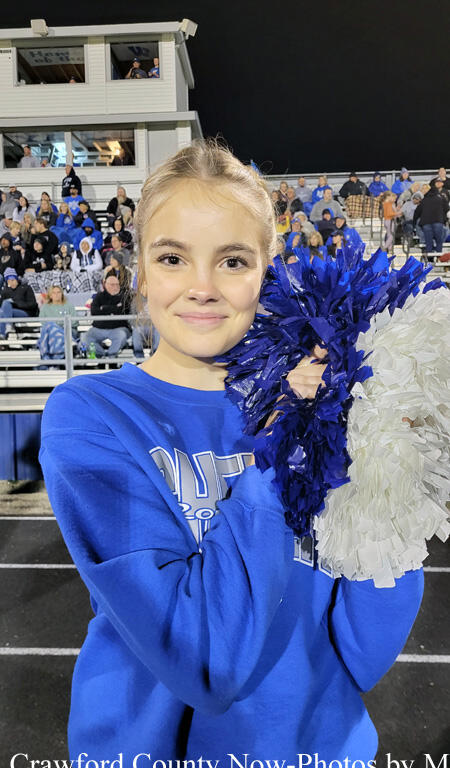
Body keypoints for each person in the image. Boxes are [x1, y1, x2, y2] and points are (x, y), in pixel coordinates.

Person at [39, 138, 423, 763]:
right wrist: (281, 441)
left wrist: (394, 467)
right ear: (140, 271)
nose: (202, 287)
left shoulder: (327, 406)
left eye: (233, 261)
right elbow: (204, 659)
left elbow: (363, 653)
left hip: (320, 749)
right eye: (172, 257)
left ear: (268, 274)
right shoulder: (91, 415)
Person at [81, 273, 132, 357]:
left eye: (117, 284)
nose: (115, 287)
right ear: (105, 285)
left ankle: (111, 357)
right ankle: (101, 356)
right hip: (99, 328)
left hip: (118, 328)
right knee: (85, 338)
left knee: (121, 336)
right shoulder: (99, 296)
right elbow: (94, 311)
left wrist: (103, 308)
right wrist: (114, 308)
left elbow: (124, 311)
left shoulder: (124, 297)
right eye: (112, 284)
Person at [37, 284, 79, 363]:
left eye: (58, 292)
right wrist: (59, 324)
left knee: (51, 328)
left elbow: (75, 322)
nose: (56, 295)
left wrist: (58, 326)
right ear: (50, 295)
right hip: (53, 333)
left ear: (62, 294)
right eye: (54, 293)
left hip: (68, 330)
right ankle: (66, 347)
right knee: (50, 326)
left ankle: (51, 360)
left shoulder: (69, 306)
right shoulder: (45, 308)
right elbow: (43, 322)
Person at [413, 180, 450, 257]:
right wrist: (444, 219)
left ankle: (429, 258)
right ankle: (438, 256)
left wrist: (414, 224)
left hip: (426, 223)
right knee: (439, 240)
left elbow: (417, 212)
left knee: (428, 241)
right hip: (438, 222)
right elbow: (447, 209)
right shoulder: (441, 198)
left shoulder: (424, 200)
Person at [0, 267, 38, 339]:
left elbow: (33, 304)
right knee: (3, 309)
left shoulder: (26, 288)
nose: (11, 283)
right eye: (9, 281)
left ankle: (7, 328)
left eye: (13, 280)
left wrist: (17, 303)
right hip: (10, 313)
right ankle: (3, 334)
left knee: (6, 303)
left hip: (25, 312)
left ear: (16, 279)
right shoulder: (5, 291)